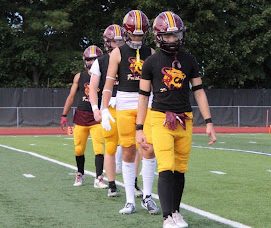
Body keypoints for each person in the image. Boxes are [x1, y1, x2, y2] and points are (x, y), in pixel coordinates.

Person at [136, 11, 217, 228]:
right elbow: (143, 98)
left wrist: (208, 122)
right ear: (159, 36)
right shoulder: (151, 62)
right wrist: (139, 127)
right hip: (160, 117)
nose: (173, 39)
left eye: (176, 35)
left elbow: (199, 91)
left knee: (180, 168)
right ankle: (166, 217)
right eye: (169, 36)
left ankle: (176, 212)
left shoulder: (189, 59)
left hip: (185, 118)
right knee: (166, 166)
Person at [101, 10, 159, 215]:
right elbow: (108, 83)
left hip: (148, 102)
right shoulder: (117, 53)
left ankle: (147, 196)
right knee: (127, 150)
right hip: (125, 102)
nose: (137, 39)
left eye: (141, 35)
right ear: (127, 33)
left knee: (149, 148)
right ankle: (129, 201)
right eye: (134, 35)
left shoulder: (151, 52)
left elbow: (156, 82)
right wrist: (104, 107)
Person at [60, 45, 108, 189]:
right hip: (81, 116)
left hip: (96, 116)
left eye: (95, 59)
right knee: (79, 149)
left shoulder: (104, 76)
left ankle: (99, 177)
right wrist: (64, 114)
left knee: (99, 148)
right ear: (85, 60)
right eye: (90, 59)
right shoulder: (79, 76)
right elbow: (71, 96)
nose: (92, 62)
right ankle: (80, 173)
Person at [89, 24, 124, 197]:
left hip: (128, 105)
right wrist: (96, 109)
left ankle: (134, 183)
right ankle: (111, 184)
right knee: (110, 146)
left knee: (133, 146)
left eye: (120, 40)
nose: (118, 44)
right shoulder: (100, 61)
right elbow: (93, 88)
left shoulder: (130, 58)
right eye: (115, 41)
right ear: (108, 42)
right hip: (109, 107)